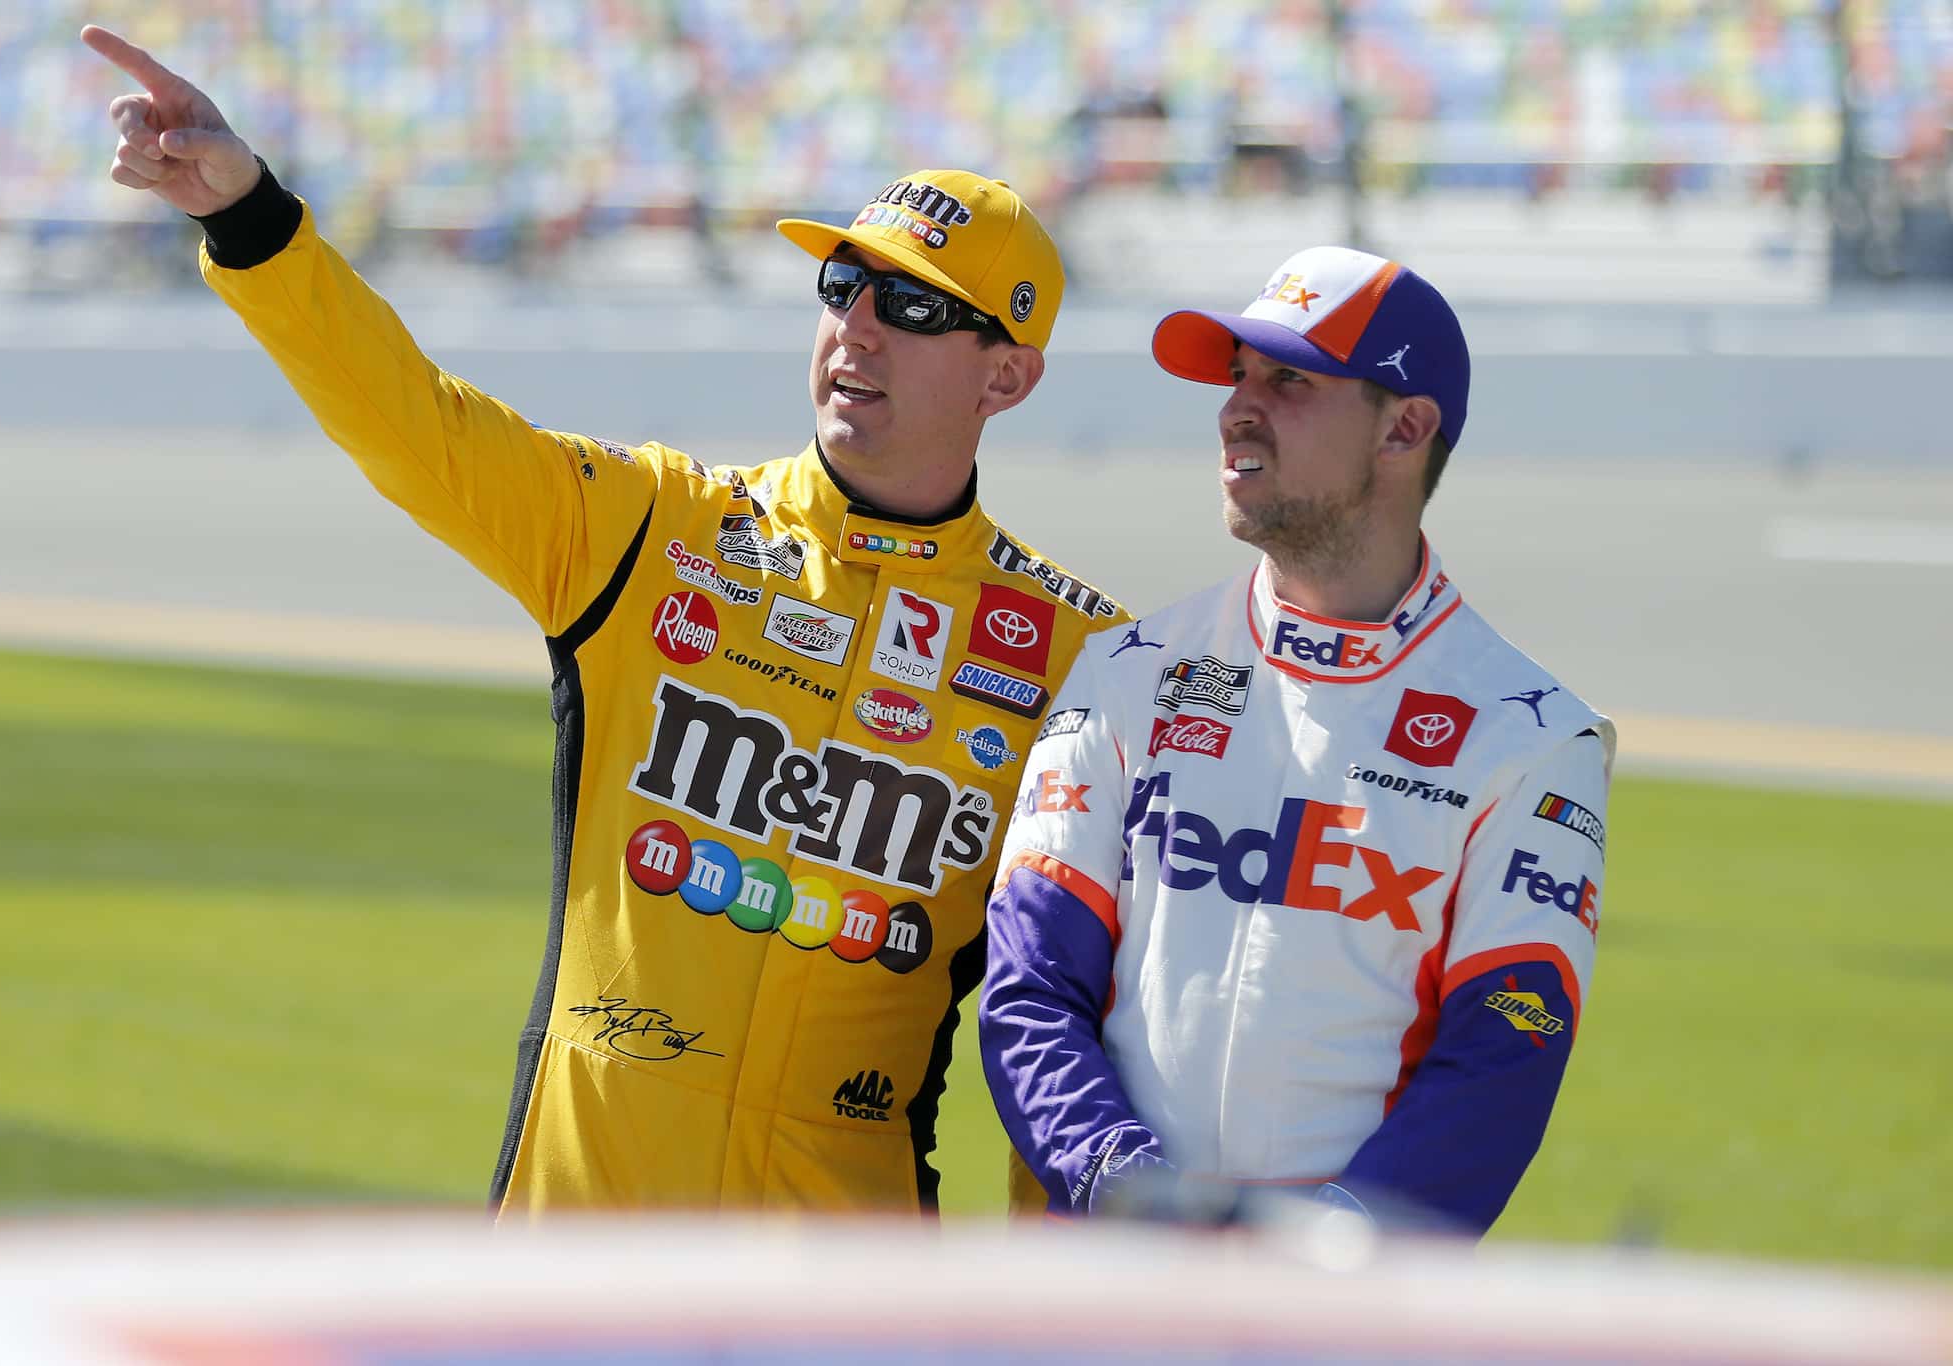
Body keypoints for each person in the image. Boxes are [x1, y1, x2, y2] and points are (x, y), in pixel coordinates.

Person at [84, 24, 1126, 1214]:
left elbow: (1078, 1025)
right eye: (842, 286)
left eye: (916, 306)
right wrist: (255, 223)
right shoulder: (653, 527)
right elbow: (416, 424)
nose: (859, 326)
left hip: (844, 1295)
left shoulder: (1077, 659)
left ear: (1009, 374)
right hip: (570, 1269)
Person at [979, 246, 1614, 1236]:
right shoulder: (1123, 674)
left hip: (1344, 1314)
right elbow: (1028, 982)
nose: (1236, 407)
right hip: (1102, 1287)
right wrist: (1122, 1183)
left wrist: (1322, 1254)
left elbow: (1502, 1049)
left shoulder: (1532, 740)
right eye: (1235, 375)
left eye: (1287, 380)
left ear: (1403, 426)